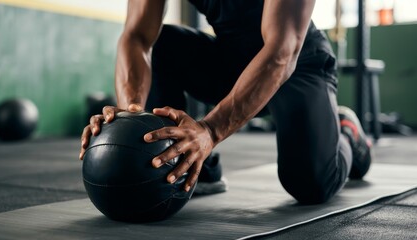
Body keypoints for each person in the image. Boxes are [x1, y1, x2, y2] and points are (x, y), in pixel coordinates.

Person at [79, 0, 373, 204]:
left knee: (310, 185)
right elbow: (137, 37)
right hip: (232, 61)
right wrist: (131, 115)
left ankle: (346, 131)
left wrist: (209, 131)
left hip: (298, 64)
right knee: (163, 45)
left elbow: (282, 52)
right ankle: (190, 166)